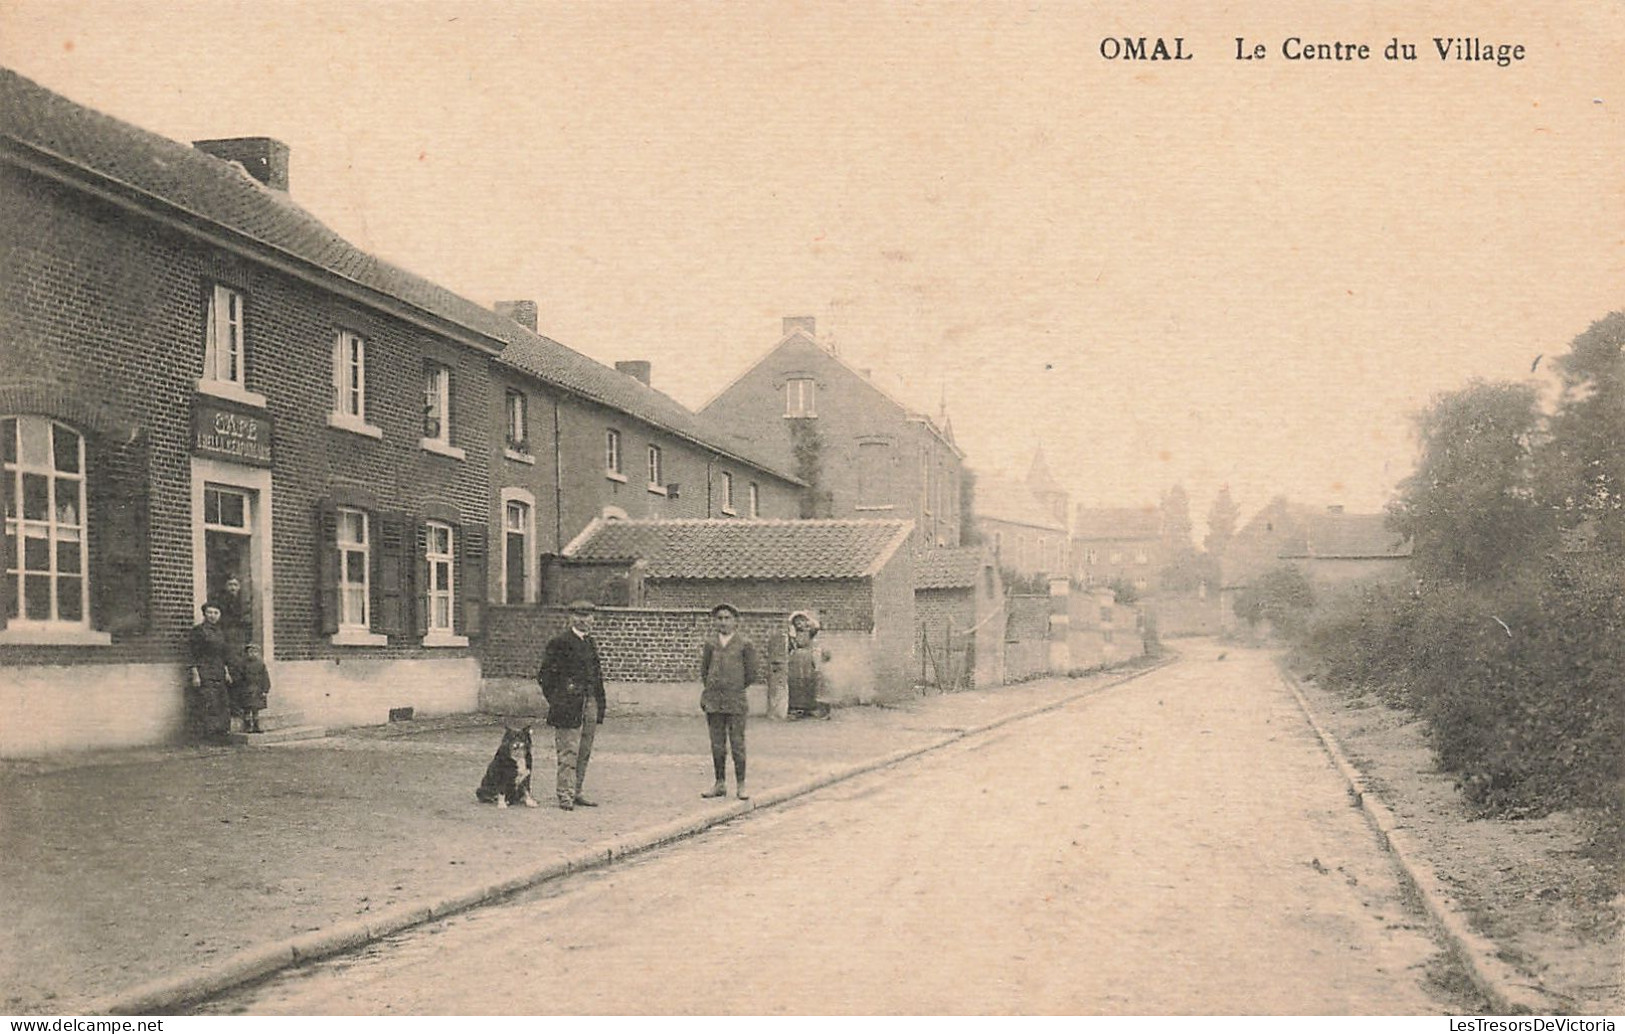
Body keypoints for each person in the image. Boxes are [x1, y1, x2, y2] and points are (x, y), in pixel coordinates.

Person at [537, 599, 607, 811]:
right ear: (571, 618)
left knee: (584, 750)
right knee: (569, 752)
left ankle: (577, 791)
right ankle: (565, 794)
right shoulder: (560, 642)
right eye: (579, 616)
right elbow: (545, 677)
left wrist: (599, 703)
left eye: (588, 616)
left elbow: (597, 676)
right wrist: (559, 700)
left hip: (590, 703)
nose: (585, 620)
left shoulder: (590, 643)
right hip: (569, 706)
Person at [699, 602, 761, 800]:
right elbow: (705, 671)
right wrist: (710, 691)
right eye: (719, 618)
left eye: (727, 618)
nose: (723, 622)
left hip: (735, 702)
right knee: (717, 745)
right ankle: (720, 783)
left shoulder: (745, 644)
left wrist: (734, 687)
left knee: (737, 744)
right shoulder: (710, 644)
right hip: (714, 701)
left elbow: (751, 673)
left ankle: (741, 785)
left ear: (736, 621)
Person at [187, 601, 233, 742]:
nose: (213, 616)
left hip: (218, 670)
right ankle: (209, 736)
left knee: (222, 701)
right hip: (204, 670)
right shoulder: (198, 631)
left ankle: (222, 733)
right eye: (210, 612)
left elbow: (223, 654)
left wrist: (226, 672)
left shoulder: (220, 632)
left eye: (216, 613)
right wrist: (195, 674)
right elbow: (192, 654)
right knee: (209, 701)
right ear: (204, 614)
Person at [216, 575, 251, 722]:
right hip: (228, 639)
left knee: (242, 673)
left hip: (239, 639)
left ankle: (242, 705)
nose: (233, 588)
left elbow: (247, 621)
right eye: (230, 584)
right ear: (225, 586)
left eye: (236, 585)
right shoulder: (221, 602)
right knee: (231, 673)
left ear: (240, 587)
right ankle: (232, 706)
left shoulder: (244, 603)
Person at [786, 610, 830, 720]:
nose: (799, 624)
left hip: (808, 658)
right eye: (797, 622)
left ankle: (810, 707)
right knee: (796, 682)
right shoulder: (792, 635)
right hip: (796, 660)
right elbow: (789, 647)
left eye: (801, 621)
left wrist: (810, 622)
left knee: (809, 681)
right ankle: (796, 708)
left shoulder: (810, 631)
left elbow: (817, 627)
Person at [237, 642, 271, 734]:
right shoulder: (243, 664)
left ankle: (256, 726)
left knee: (256, 710)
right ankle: (247, 726)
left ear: (258, 653)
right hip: (247, 689)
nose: (252, 654)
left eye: (254, 652)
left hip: (258, 689)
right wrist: (241, 687)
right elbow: (240, 677)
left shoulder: (261, 664)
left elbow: (265, 677)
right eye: (250, 652)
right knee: (247, 709)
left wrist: (265, 689)